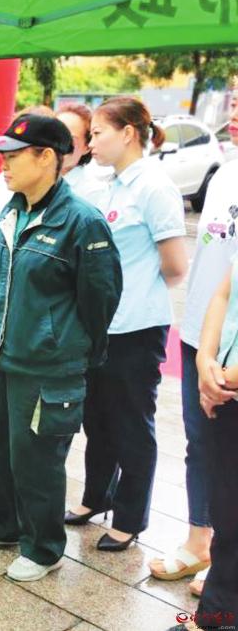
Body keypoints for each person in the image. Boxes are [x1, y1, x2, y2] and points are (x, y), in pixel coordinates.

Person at [0, 114, 123, 582]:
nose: (3, 166)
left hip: (46, 365)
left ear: (47, 157)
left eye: (12, 157)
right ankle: (2, 525)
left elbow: (101, 299)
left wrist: (65, 347)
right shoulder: (10, 211)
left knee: (37, 458)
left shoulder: (82, 222)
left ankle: (44, 547)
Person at [64, 96, 188, 552]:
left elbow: (175, 266)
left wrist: (136, 291)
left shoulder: (154, 186)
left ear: (128, 133)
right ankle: (96, 496)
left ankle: (130, 518)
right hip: (102, 326)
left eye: (98, 133)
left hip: (137, 327)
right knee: (96, 418)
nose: (91, 142)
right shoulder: (109, 184)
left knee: (131, 424)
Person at [151, 96, 238, 586]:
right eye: (234, 98)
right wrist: (204, 351)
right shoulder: (224, 172)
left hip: (233, 352)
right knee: (201, 445)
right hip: (202, 335)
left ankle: (229, 558)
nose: (235, 109)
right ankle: (201, 541)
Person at [179, 262, 238, 631]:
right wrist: (205, 360)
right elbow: (223, 294)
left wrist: (222, 380)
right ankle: (215, 617)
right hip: (227, 391)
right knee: (227, 513)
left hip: (228, 385)